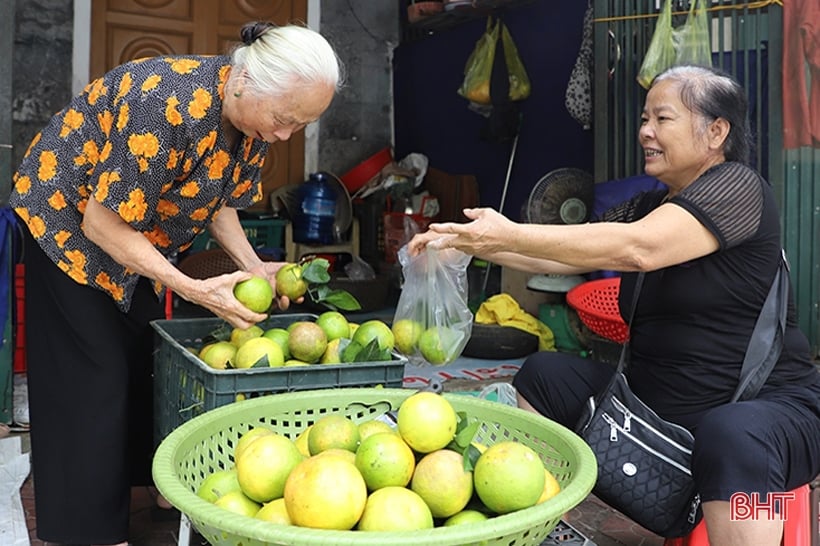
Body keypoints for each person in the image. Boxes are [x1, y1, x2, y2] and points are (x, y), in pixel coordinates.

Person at [409, 65, 820, 546]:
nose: (645, 130)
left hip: (764, 408)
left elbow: (638, 248)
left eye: (662, 118)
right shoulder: (650, 206)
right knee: (543, 377)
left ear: (716, 131)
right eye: (644, 118)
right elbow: (564, 251)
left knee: (734, 435)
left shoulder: (740, 189)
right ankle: (535, 517)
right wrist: (469, 243)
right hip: (662, 409)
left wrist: (508, 233)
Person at [9, 21, 343, 546]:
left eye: (299, 126)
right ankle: (88, 530)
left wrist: (254, 268)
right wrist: (187, 287)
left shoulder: (253, 125)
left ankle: (148, 487)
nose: (284, 135)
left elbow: (220, 204)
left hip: (138, 232)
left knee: (146, 356)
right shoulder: (163, 102)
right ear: (246, 81)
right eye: (283, 119)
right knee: (92, 374)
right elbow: (101, 222)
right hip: (67, 221)